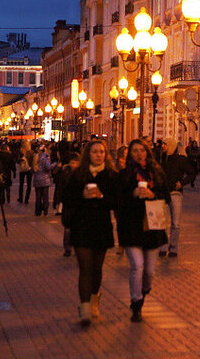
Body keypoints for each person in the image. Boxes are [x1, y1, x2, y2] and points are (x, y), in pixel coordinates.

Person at [61, 141, 117, 326]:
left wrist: (102, 197)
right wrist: (82, 196)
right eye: (95, 152)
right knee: (85, 268)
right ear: (88, 154)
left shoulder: (110, 175)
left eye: (102, 152)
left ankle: (94, 299)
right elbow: (67, 198)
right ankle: (85, 307)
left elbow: (117, 201)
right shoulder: (78, 174)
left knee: (96, 268)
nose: (99, 155)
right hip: (81, 227)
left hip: (101, 227)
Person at [116, 139, 169, 322]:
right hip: (131, 226)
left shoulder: (156, 173)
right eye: (135, 151)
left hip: (152, 227)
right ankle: (136, 303)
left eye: (142, 150)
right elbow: (118, 199)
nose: (139, 154)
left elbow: (166, 196)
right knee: (137, 266)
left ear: (147, 152)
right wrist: (132, 194)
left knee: (149, 271)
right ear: (130, 154)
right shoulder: (125, 174)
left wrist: (153, 195)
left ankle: (144, 291)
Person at [159, 137, 195, 257]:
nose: (163, 146)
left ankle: (173, 248)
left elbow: (192, 173)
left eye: (165, 144)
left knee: (175, 223)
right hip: (162, 194)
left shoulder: (180, 160)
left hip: (175, 194)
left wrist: (182, 183)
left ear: (171, 146)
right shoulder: (160, 159)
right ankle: (163, 247)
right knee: (162, 222)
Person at [32, 145, 55, 216]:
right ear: (45, 150)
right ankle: (45, 210)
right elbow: (48, 167)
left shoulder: (35, 156)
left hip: (37, 179)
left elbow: (33, 169)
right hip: (45, 179)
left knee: (38, 197)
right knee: (45, 196)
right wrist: (55, 164)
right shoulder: (46, 157)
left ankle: (37, 211)